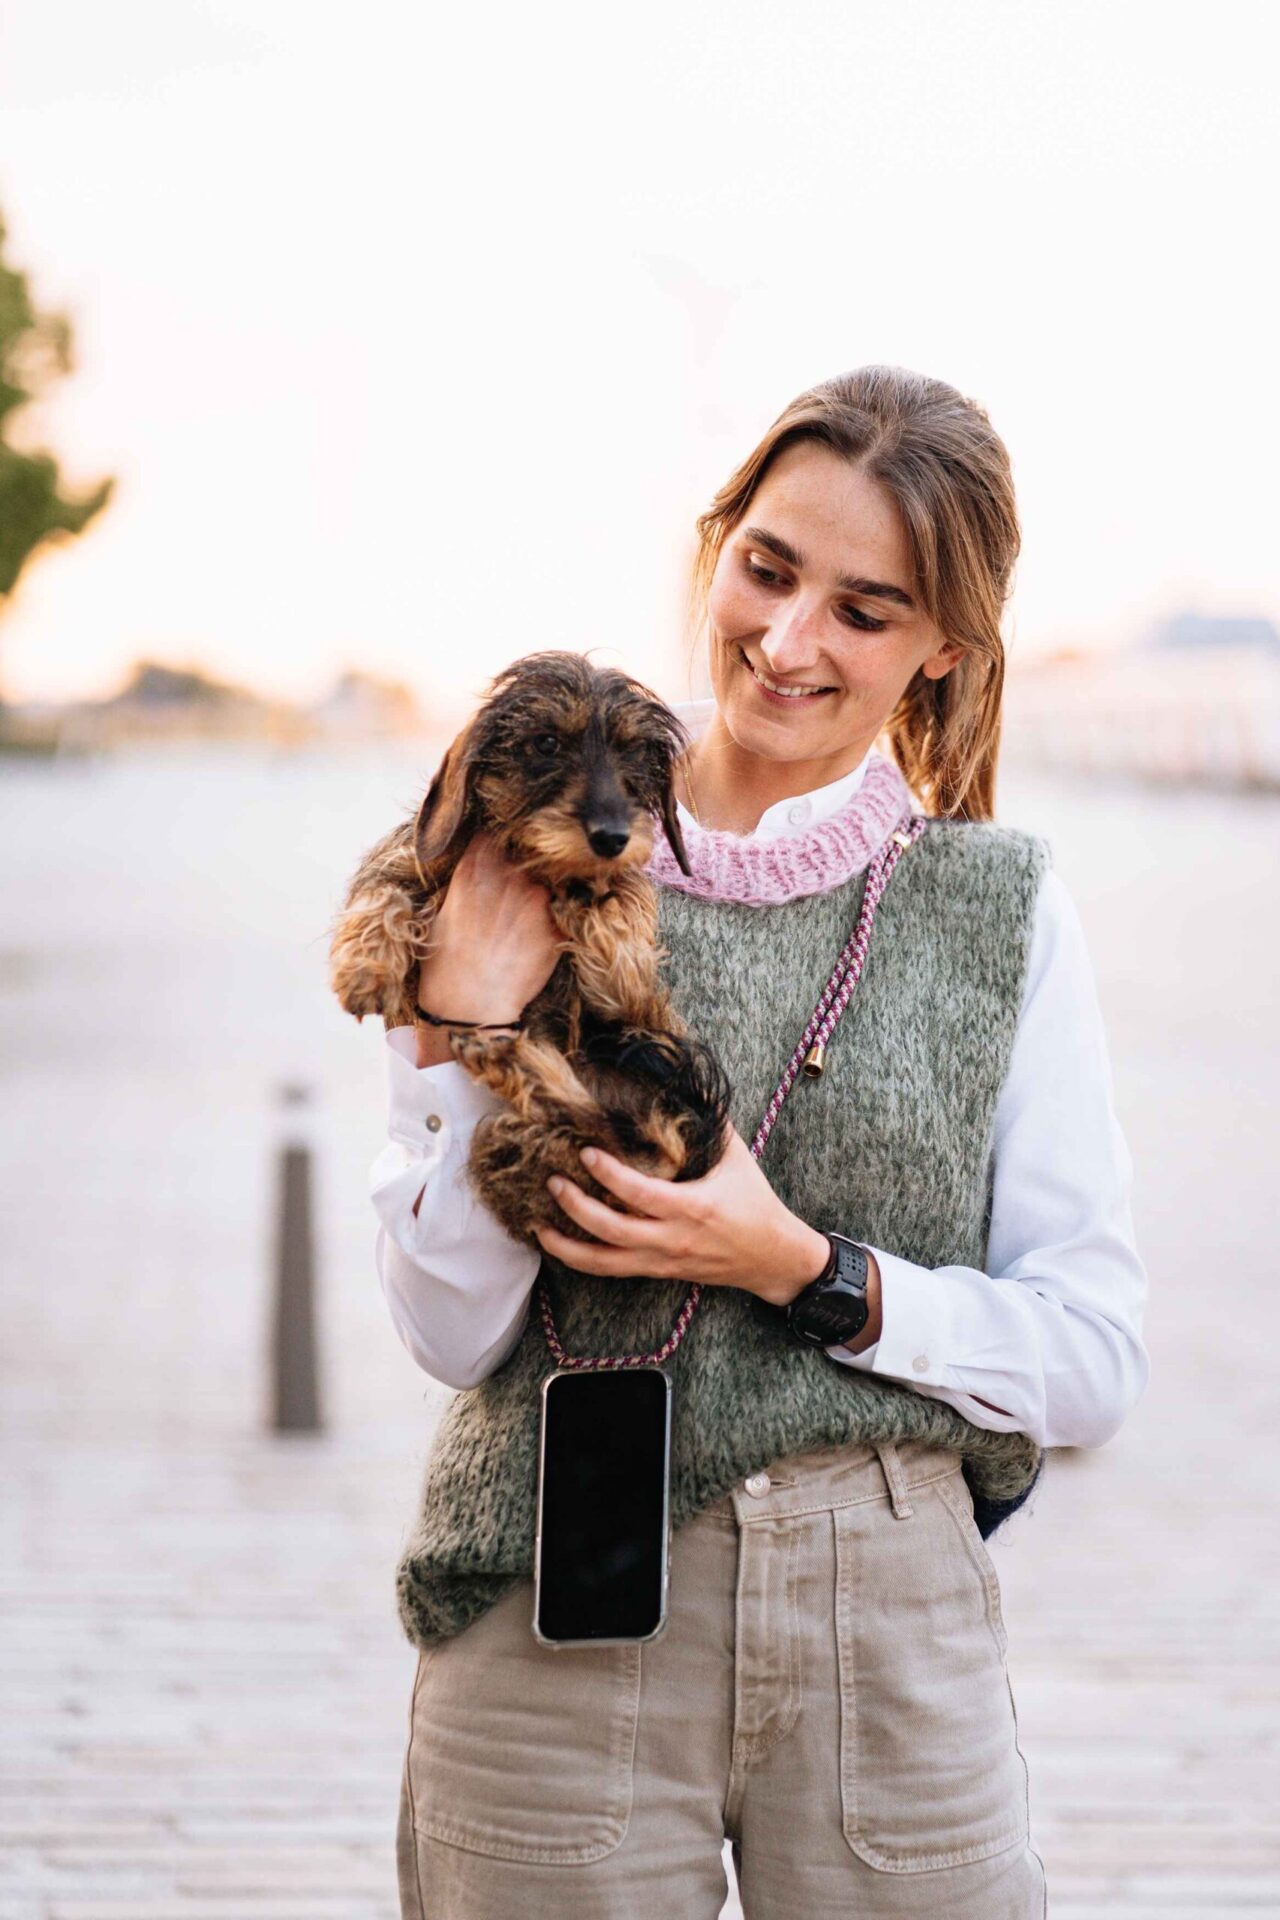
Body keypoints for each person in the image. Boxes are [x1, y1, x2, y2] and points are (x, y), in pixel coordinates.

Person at [371, 365, 1149, 1918]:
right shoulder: (520, 854)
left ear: (942, 649)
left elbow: (1092, 1359)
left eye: (866, 611)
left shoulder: (998, 909)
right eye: (769, 569)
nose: (789, 642)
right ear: (713, 544)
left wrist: (801, 1267)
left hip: (892, 1629)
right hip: (553, 1613)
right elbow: (449, 1333)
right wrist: (464, 1024)